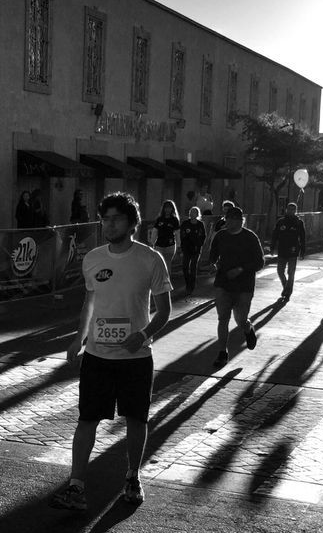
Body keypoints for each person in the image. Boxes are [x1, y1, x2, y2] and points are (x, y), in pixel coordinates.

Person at [50, 192, 172, 513]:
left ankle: (132, 476)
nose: (109, 224)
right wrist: (78, 339)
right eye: (105, 218)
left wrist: (143, 334)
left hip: (136, 358)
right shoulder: (93, 259)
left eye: (116, 218)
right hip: (97, 357)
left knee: (136, 419)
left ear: (133, 223)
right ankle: (76, 485)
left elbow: (164, 310)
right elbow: (89, 304)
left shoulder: (150, 259)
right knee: (87, 418)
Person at [210, 204, 264, 368]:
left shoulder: (250, 237)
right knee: (223, 318)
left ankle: (248, 329)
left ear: (241, 221)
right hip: (223, 283)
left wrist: (241, 269)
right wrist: (214, 264)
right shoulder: (220, 236)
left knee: (240, 319)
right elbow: (212, 256)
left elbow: (260, 262)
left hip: (244, 286)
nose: (231, 222)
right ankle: (222, 352)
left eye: (235, 219)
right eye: (228, 219)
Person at [271, 202, 307, 302]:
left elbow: (303, 237)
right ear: (286, 209)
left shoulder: (299, 222)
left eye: (293, 209)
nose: (291, 211)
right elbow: (275, 234)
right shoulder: (281, 221)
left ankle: (288, 292)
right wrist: (272, 247)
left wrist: (303, 250)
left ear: (296, 211)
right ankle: (285, 286)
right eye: (289, 209)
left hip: (293, 250)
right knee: (280, 271)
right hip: (282, 250)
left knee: (291, 272)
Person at [178, 205, 207, 297]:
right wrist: (181, 247)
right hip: (186, 248)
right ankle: (187, 283)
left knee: (193, 267)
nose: (192, 214)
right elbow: (181, 235)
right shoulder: (185, 223)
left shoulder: (200, 224)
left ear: (197, 214)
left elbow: (203, 236)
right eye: (191, 212)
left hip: (196, 248)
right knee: (185, 267)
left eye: (194, 212)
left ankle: (191, 286)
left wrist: (200, 244)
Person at [152, 200, 180, 276]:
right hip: (159, 245)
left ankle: (167, 283)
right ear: (163, 209)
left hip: (170, 245)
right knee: (159, 264)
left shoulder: (174, 220)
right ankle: (159, 282)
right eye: (166, 208)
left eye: (169, 208)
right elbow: (155, 231)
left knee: (167, 264)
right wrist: (152, 243)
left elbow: (177, 233)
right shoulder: (159, 219)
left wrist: (178, 246)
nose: (168, 210)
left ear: (172, 209)